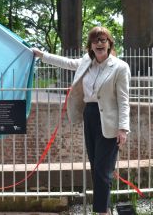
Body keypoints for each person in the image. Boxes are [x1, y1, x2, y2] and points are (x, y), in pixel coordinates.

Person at [32, 26, 130, 215]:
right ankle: (105, 209)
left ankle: (102, 212)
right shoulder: (87, 61)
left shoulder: (120, 67)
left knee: (103, 170)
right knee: (96, 167)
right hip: (90, 115)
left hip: (109, 121)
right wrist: (42, 55)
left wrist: (123, 128)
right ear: (90, 45)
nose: (99, 44)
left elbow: (124, 100)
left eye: (103, 40)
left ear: (109, 43)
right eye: (95, 41)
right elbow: (67, 62)